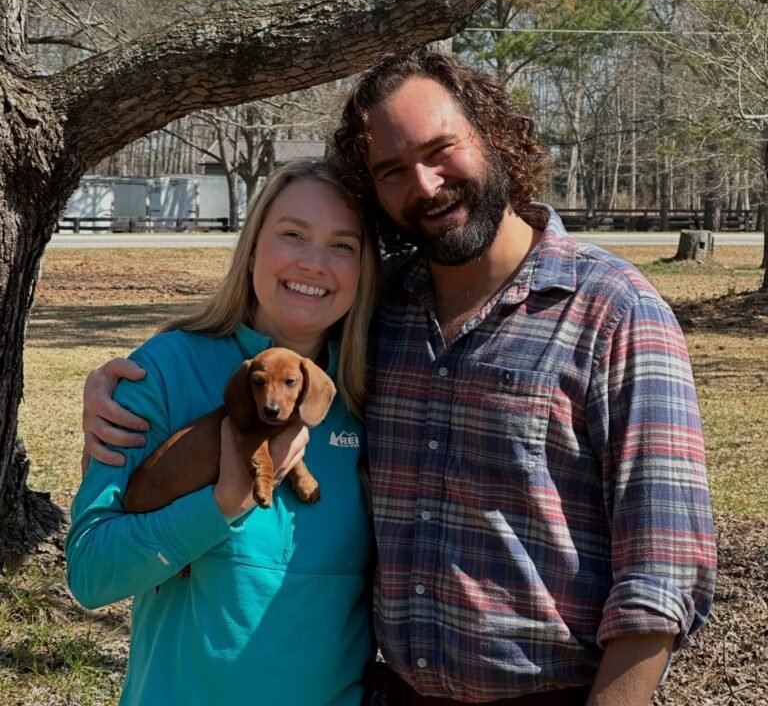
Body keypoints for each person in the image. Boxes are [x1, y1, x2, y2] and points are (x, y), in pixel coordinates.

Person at [83, 51, 717, 706]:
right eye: (391, 171)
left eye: (442, 149)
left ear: (494, 136)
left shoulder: (614, 310)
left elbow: (663, 573)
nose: (425, 183)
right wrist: (121, 385)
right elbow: (264, 340)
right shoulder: (379, 320)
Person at [67, 158, 379, 706]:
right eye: (292, 234)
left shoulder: (377, 391)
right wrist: (221, 504)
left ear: (364, 269)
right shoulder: (163, 370)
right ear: (252, 247)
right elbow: (92, 573)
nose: (313, 263)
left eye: (342, 245)